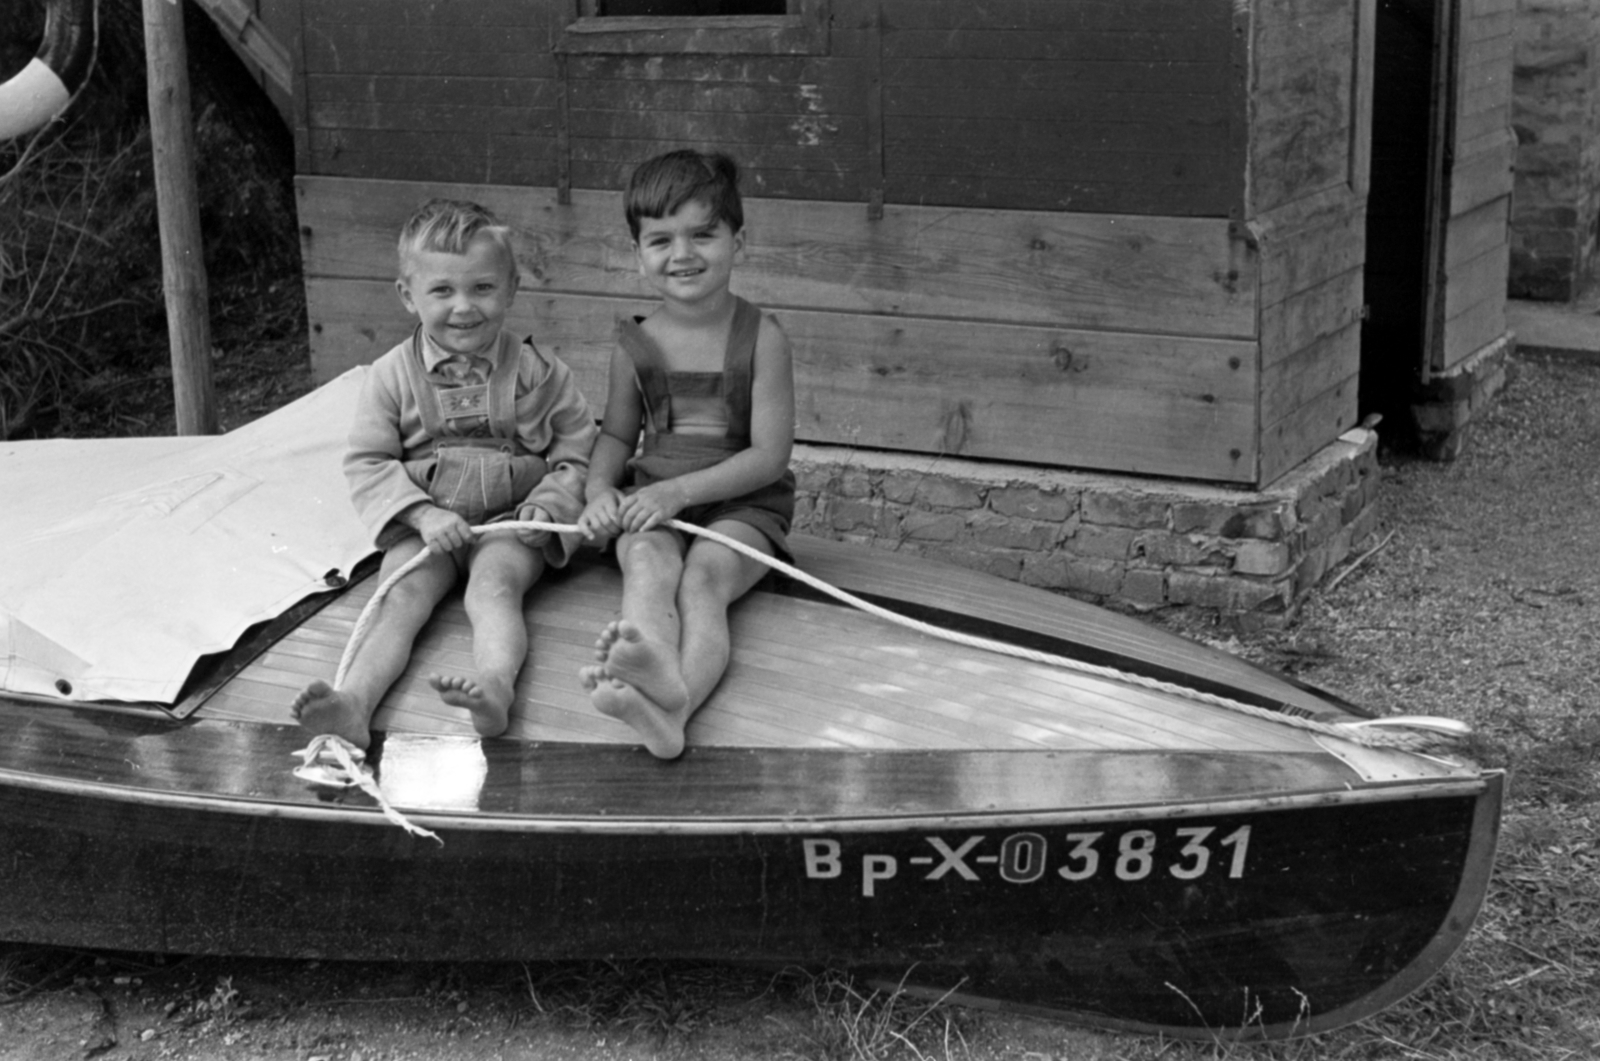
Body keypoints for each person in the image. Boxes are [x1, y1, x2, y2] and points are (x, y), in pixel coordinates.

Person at [293, 198, 598, 749]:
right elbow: (368, 461)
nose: (464, 307)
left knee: (495, 588)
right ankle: (355, 705)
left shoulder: (539, 373)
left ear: (511, 289)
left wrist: (547, 508)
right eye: (442, 291)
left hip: (507, 523)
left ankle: (496, 688)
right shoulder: (390, 377)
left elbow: (577, 451)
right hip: (425, 526)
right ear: (408, 297)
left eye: (482, 288)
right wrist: (422, 513)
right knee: (400, 596)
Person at [576, 150, 796, 760]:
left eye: (704, 233)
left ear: (737, 241)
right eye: (661, 240)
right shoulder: (636, 343)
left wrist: (678, 492)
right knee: (646, 565)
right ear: (637, 252)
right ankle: (654, 681)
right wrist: (599, 491)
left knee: (703, 581)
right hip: (652, 501)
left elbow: (770, 457)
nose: (684, 254)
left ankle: (680, 704)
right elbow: (618, 438)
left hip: (744, 505)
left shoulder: (764, 338)